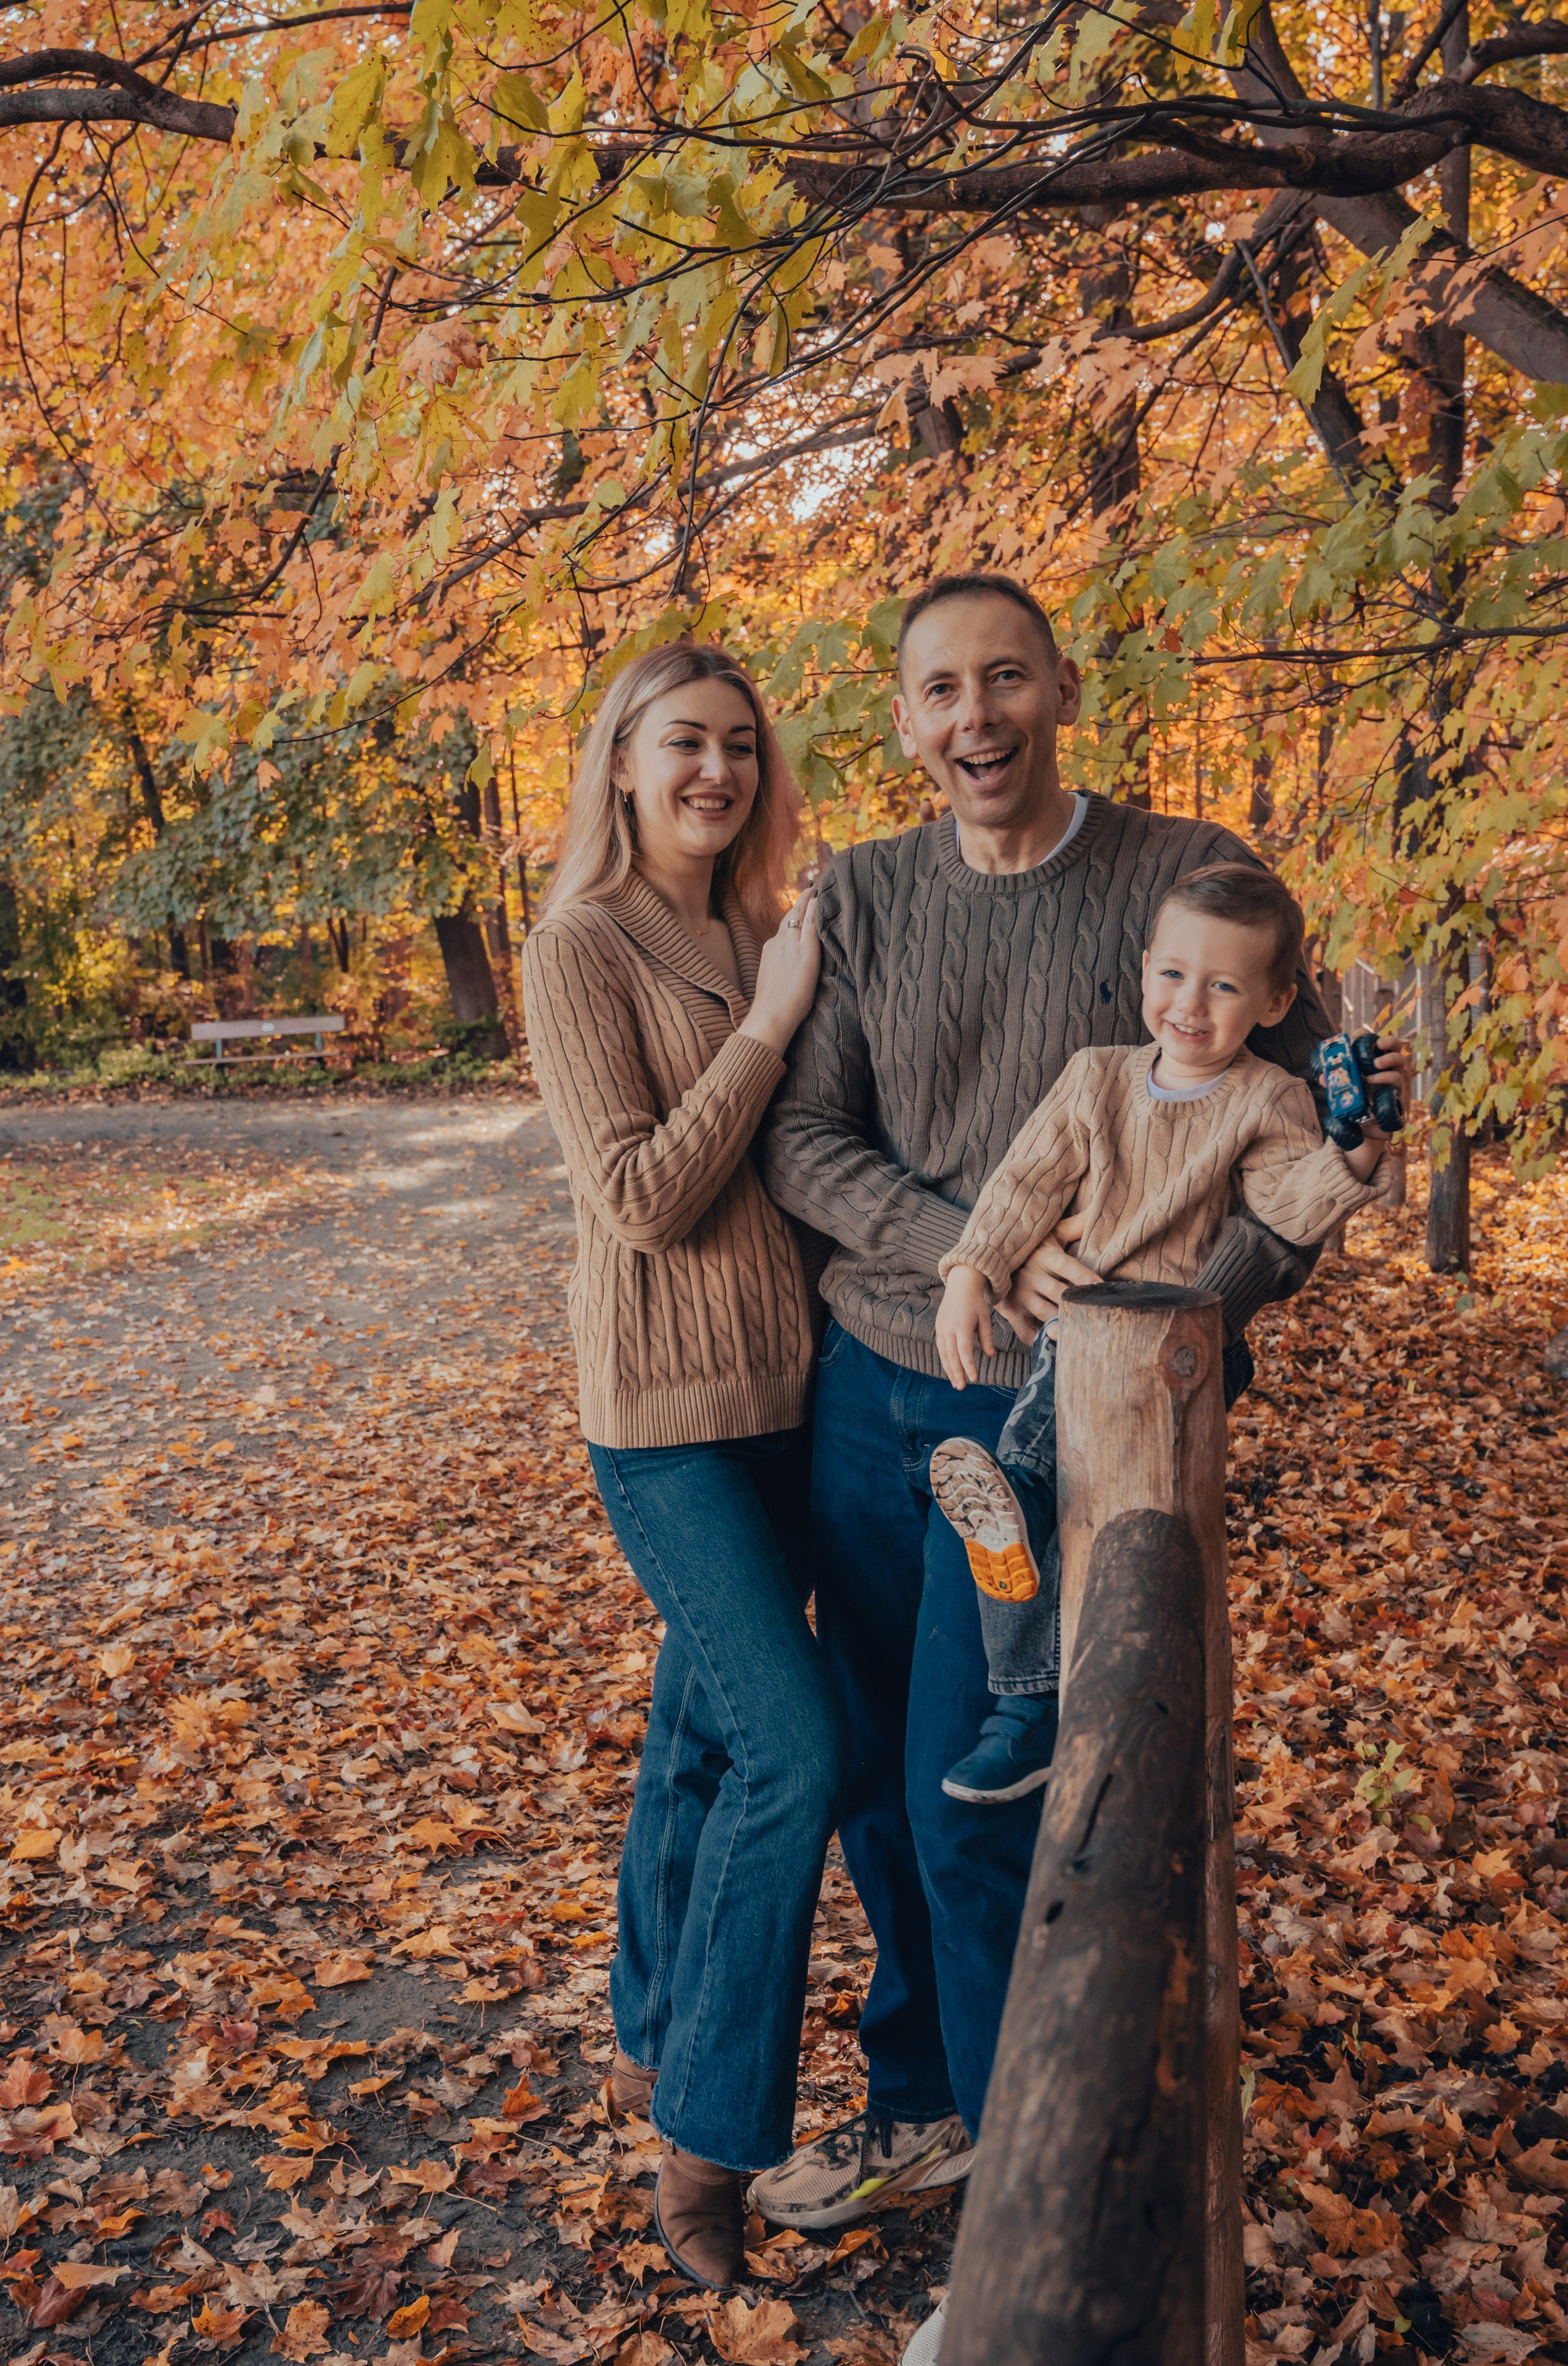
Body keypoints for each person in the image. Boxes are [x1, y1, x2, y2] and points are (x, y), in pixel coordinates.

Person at [751, 574, 1409, 2317]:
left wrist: (1157, 1308)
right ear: (904, 717)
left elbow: (1300, 1142)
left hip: (1074, 1415)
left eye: (1005, 681)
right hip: (881, 1382)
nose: (976, 717)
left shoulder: (1186, 874)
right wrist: (976, 1234)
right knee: (892, 1776)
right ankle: (932, 2102)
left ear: (1059, 688)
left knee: (1003, 1769)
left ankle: (1041, 2189)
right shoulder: (871, 898)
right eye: (939, 690)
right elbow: (806, 1142)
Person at [519, 644, 843, 2293]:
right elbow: (643, 1193)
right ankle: (711, 2140)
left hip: (799, 1395)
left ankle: (652, 2022)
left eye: (736, 745)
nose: (714, 769)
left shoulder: (760, 922)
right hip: (663, 1417)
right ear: (625, 765)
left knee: (704, 1727)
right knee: (796, 1746)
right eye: (682, 745)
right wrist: (773, 1026)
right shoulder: (578, 943)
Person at [929, 862, 1390, 1805]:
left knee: (1045, 1491)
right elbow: (1025, 1183)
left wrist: (1358, 1154)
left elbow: (1290, 1208)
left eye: (1224, 986)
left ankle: (1033, 1692)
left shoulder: (1266, 1099)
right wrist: (971, 1273)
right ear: (1145, 972)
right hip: (1076, 1341)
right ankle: (1023, 1710)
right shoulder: (1096, 1079)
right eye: (1175, 975)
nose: (1191, 1003)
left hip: (1177, 1353)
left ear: (1272, 1000)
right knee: (1031, 1512)